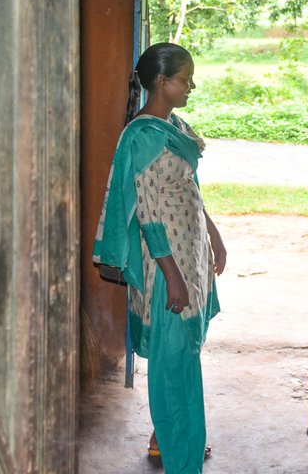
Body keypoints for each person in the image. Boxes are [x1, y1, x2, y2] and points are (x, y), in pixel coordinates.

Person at [93, 42, 226, 473]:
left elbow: (189, 189)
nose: (190, 86)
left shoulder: (175, 126)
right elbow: (148, 214)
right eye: (184, 79)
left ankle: (178, 442)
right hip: (166, 268)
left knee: (185, 357)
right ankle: (179, 456)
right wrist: (172, 277)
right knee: (171, 368)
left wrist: (213, 234)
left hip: (189, 259)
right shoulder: (144, 135)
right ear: (161, 82)